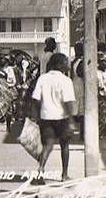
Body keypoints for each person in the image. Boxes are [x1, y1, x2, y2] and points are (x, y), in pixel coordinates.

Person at [32, 52, 77, 184]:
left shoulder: (42, 78)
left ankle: (40, 170)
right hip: (62, 117)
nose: (68, 66)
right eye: (66, 63)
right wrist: (72, 119)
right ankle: (64, 175)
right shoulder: (66, 81)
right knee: (65, 146)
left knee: (47, 145)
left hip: (45, 116)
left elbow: (35, 98)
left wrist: (39, 112)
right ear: (60, 65)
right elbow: (69, 102)